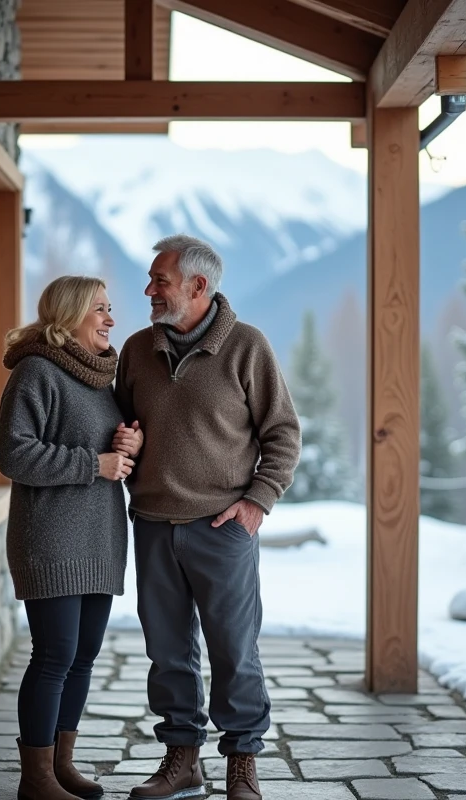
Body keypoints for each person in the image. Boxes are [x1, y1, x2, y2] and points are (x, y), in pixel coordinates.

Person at [114, 235, 301, 800]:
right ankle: (182, 759)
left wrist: (258, 501)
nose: (148, 290)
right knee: (167, 651)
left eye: (160, 281)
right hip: (152, 524)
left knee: (233, 650)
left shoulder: (247, 347)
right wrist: (124, 439)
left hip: (223, 528)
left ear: (198, 287)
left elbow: (283, 433)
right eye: (150, 280)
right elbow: (121, 422)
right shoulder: (136, 350)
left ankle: (242, 761)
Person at [0, 275, 143, 800]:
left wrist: (130, 442)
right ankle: (34, 778)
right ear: (70, 315)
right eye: (99, 309)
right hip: (51, 537)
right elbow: (13, 453)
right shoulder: (37, 372)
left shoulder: (104, 378)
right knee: (54, 653)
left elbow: (112, 453)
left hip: (99, 536)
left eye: (109, 308)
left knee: (82, 656)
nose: (110, 319)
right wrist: (93, 462)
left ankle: (61, 765)